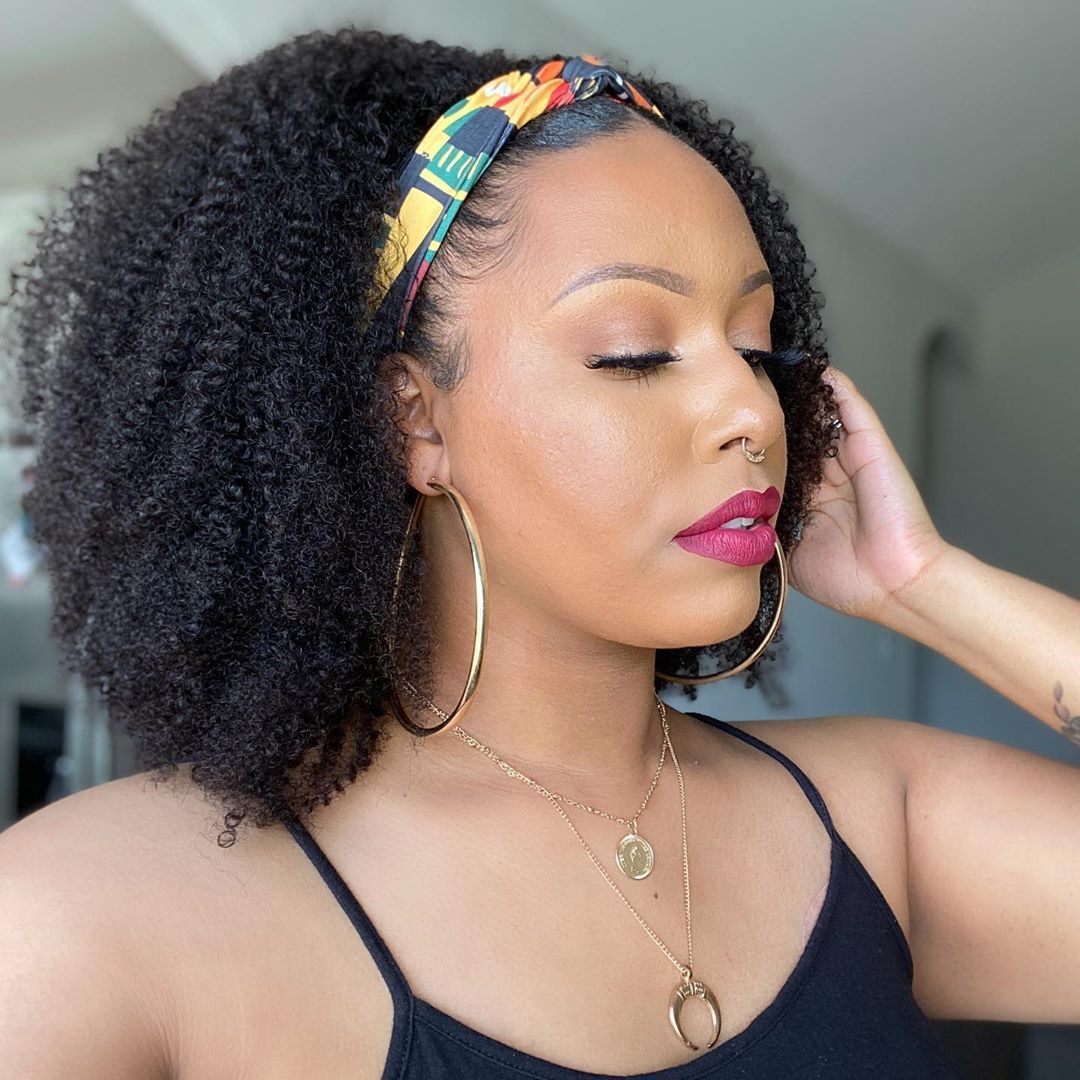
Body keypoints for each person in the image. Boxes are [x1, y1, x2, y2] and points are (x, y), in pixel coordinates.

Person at [1, 26, 1078, 1080]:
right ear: (412, 418)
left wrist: (927, 585)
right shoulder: (95, 922)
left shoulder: (871, 825)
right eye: (634, 353)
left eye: (755, 349)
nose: (753, 412)